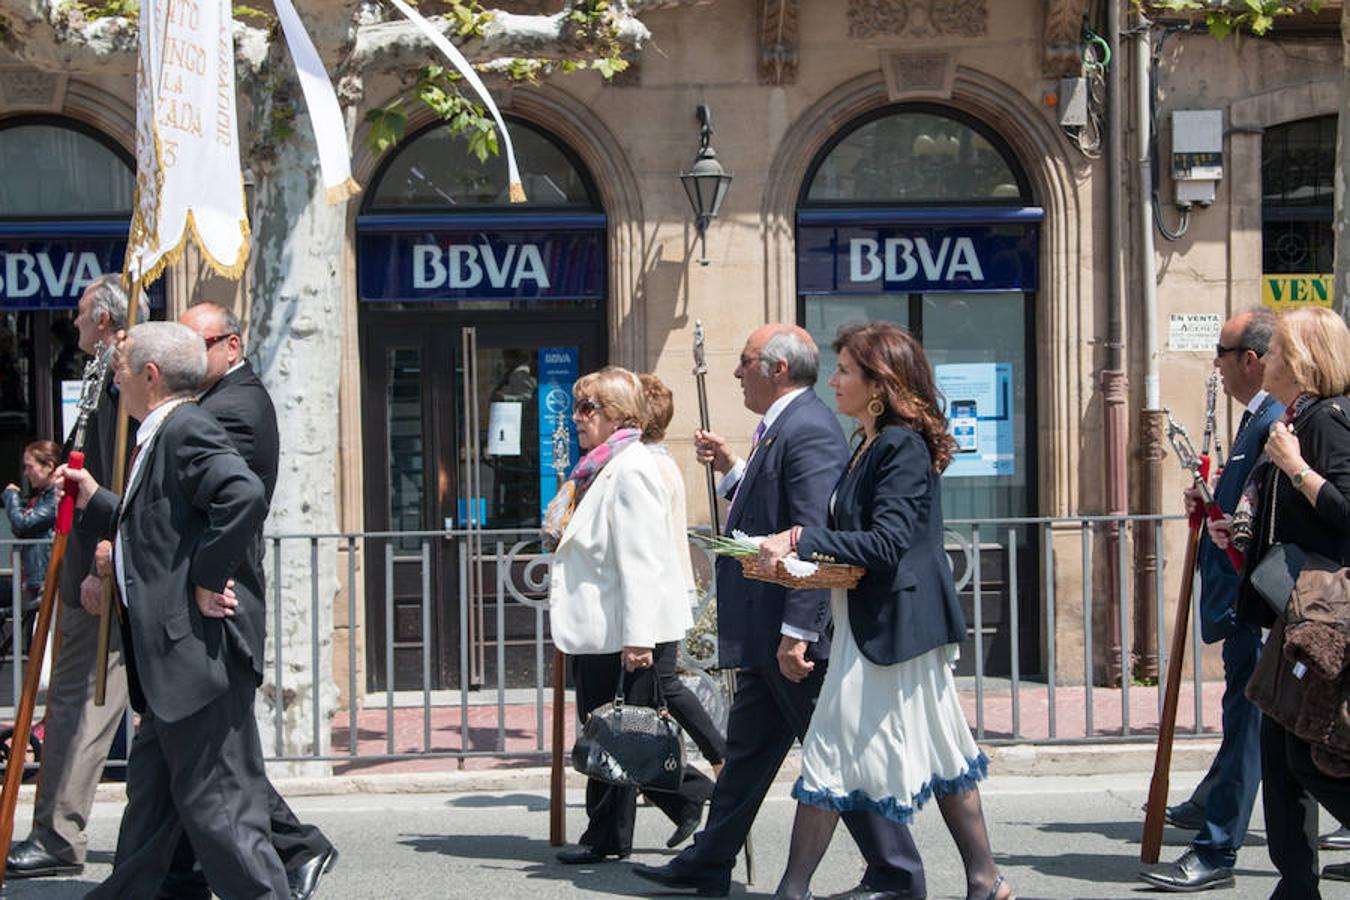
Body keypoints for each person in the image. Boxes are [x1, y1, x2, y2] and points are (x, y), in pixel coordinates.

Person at [635, 324, 927, 900]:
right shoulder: (785, 427)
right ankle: (710, 860)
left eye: (745, 362)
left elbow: (812, 531)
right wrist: (732, 470)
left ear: (776, 369)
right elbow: (773, 505)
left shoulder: (808, 428)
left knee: (836, 751)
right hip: (767, 630)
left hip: (789, 636)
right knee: (746, 755)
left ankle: (897, 872)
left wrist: (798, 629)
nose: (737, 373)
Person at [751, 322, 1010, 900]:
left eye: (844, 369)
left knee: (830, 753)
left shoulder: (900, 444)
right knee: (943, 749)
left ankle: (792, 890)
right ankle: (986, 878)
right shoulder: (868, 441)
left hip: (896, 627)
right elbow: (860, 539)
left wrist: (799, 538)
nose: (834, 379)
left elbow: (887, 544)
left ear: (878, 384)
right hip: (872, 623)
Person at [60, 321, 290, 899]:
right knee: (148, 825)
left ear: (150, 375)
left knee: (225, 819)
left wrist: (206, 579)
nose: (114, 378)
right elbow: (156, 528)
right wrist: (94, 500)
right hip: (169, 667)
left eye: (119, 368)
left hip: (193, 656)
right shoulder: (161, 433)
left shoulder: (184, 427)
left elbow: (243, 495)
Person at [154, 302, 337, 899]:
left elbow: (222, 507)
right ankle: (172, 876)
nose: (187, 351)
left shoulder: (228, 410)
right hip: (198, 610)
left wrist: (205, 577)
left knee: (219, 762)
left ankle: (294, 848)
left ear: (231, 346)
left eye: (198, 341)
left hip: (220, 606)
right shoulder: (207, 405)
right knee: (190, 759)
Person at [1208, 306, 1350, 897]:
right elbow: (1288, 519)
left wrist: (1294, 467)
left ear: (1301, 361)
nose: (1262, 360)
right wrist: (1238, 533)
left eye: (1277, 350)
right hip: (1291, 616)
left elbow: (1343, 512)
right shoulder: (1294, 418)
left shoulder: (1326, 423)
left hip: (1322, 620)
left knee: (1310, 757)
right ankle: (1296, 885)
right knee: (1283, 756)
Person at [6, 274, 143, 880]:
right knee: (80, 703)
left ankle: (59, 835)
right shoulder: (97, 375)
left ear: (107, 321)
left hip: (103, 566)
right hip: (85, 559)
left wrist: (100, 558)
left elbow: (121, 474)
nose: (75, 322)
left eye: (83, 314)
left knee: (82, 702)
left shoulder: (124, 379)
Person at [1140, 310, 1282, 892]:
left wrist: (1228, 522)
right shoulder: (1255, 421)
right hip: (1244, 601)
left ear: (1251, 359)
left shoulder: (1276, 423)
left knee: (1252, 726)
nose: (1215, 366)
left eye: (1221, 354)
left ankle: (1217, 849)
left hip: (1260, 606)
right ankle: (1212, 812)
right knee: (1266, 731)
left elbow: (1272, 522)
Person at [545, 366, 705, 864]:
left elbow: (641, 562)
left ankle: (632, 823)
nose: (576, 418)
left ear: (616, 414)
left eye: (587, 408)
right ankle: (621, 828)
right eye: (577, 407)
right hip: (599, 627)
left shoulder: (630, 468)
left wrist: (639, 639)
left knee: (617, 732)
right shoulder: (599, 466)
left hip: (620, 630)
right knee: (610, 730)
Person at [638, 372, 727, 846]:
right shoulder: (657, 461)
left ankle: (703, 772)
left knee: (657, 692)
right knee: (652, 696)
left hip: (655, 598)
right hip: (665, 593)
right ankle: (687, 786)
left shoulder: (648, 466)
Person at [2, 440, 61, 613]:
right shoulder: (42, 499)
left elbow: (22, 524)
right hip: (33, 582)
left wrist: (11, 496)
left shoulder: (56, 497)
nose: (26, 473)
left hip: (46, 581)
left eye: (30, 467)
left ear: (49, 466)